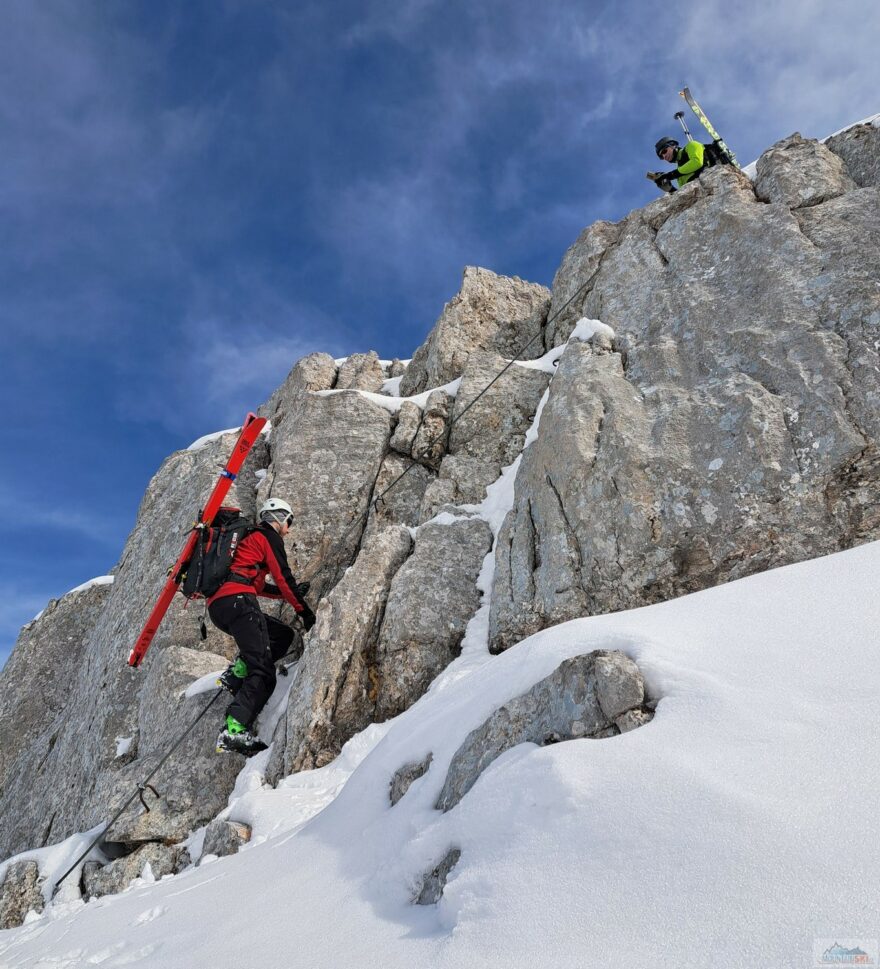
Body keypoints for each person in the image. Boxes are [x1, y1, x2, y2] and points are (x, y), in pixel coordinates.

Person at [209, 497, 316, 755]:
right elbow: (283, 576)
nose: (288, 529)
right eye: (288, 521)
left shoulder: (249, 541)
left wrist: (284, 594)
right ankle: (233, 730)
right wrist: (305, 612)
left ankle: (238, 672)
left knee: (282, 634)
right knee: (264, 672)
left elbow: (256, 585)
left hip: (220, 607)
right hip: (239, 602)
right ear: (277, 517)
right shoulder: (268, 537)